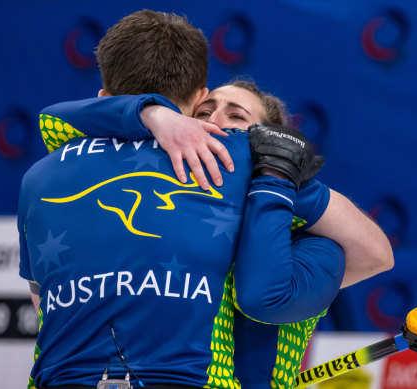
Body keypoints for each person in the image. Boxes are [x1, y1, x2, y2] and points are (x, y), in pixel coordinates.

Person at [19, 10, 349, 389]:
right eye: (206, 113)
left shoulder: (41, 174)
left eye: (237, 118)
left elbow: (44, 303)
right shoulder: (233, 163)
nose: (214, 126)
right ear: (196, 100)